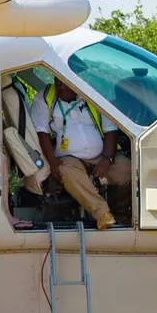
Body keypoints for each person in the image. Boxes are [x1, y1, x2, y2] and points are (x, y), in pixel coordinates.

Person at [28, 79, 130, 231]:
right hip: (68, 158)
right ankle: (102, 214)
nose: (59, 87)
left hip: (101, 155)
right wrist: (52, 162)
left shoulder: (94, 95)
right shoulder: (44, 97)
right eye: (57, 82)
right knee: (66, 171)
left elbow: (110, 129)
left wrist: (106, 159)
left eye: (64, 83)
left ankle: (121, 214)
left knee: (128, 171)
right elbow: (42, 133)